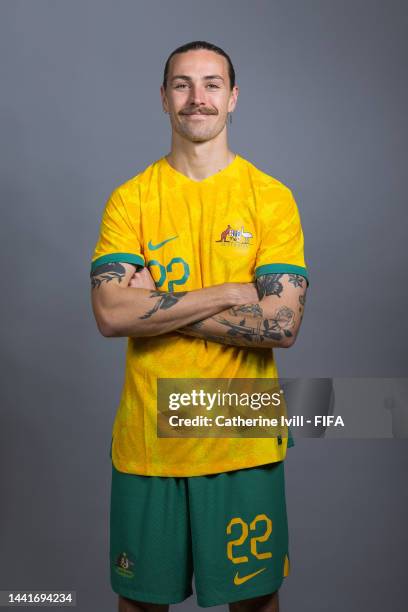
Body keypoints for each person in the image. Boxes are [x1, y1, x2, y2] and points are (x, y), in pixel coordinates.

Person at [90, 40, 309, 612]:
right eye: (182, 85)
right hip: (148, 439)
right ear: (163, 98)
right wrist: (227, 294)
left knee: (256, 602)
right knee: (138, 602)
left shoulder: (271, 198)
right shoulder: (130, 199)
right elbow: (111, 314)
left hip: (242, 434)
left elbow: (281, 323)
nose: (197, 98)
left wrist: (157, 308)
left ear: (233, 98)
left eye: (212, 84)